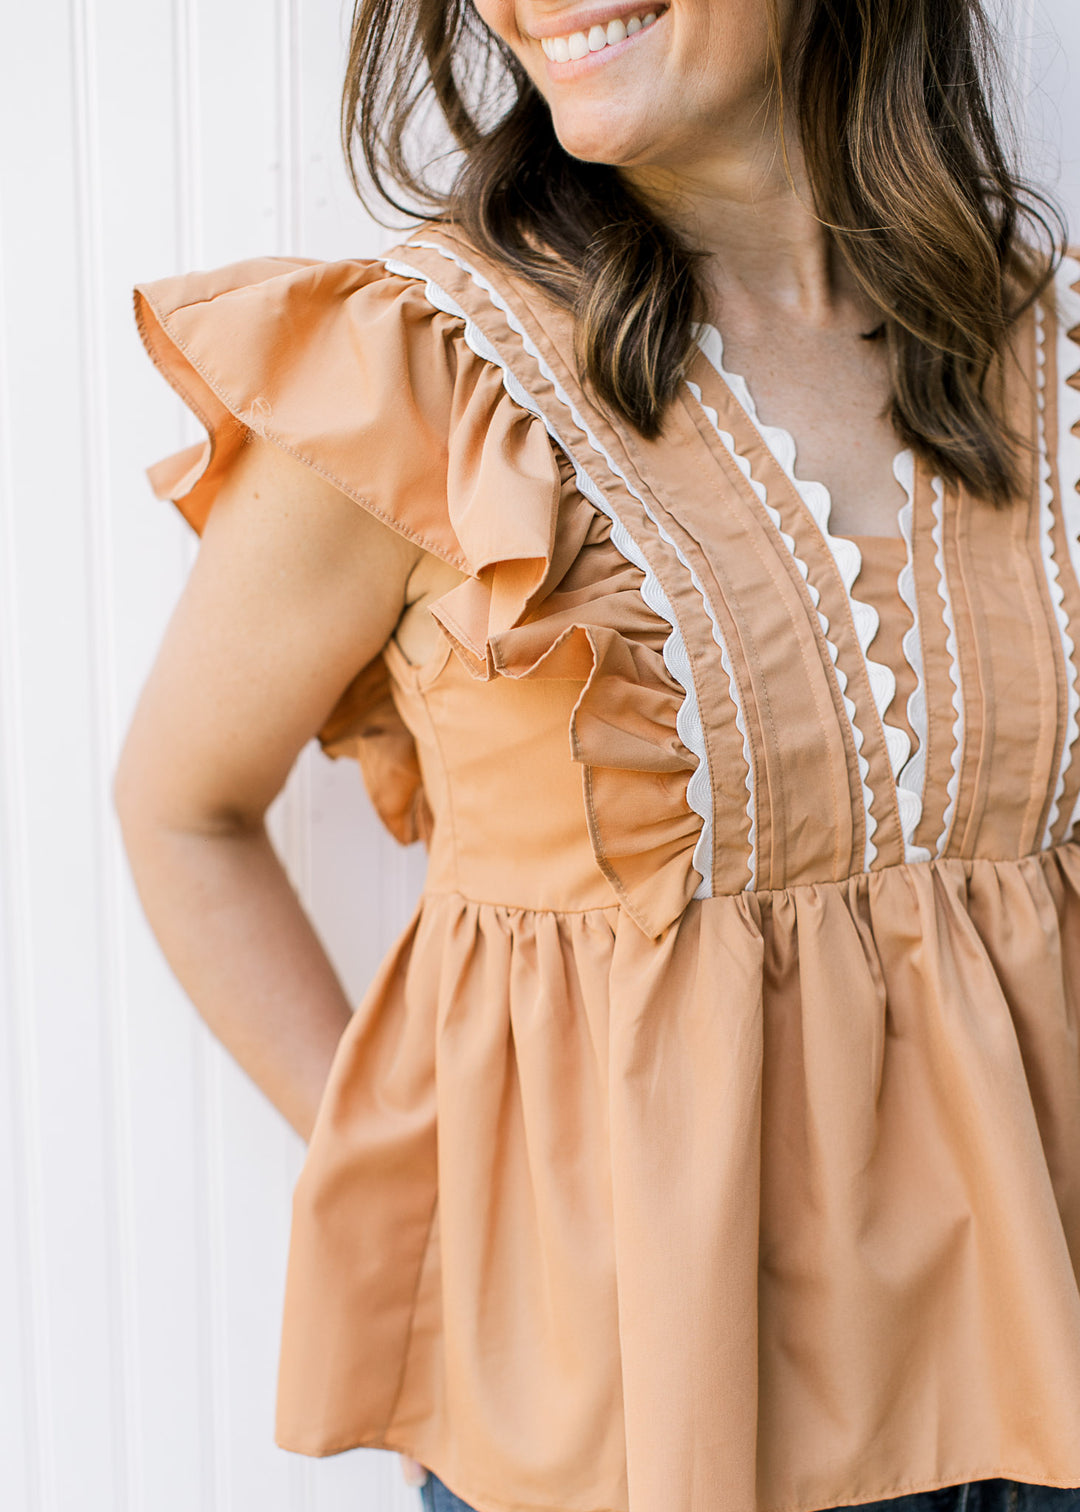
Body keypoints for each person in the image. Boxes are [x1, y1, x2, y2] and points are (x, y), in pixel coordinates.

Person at [114, 0, 1080, 1510]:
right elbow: (183, 809)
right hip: (650, 1428)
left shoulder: (1053, 345)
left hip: (1049, 1386)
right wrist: (439, 1197)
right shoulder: (423, 375)